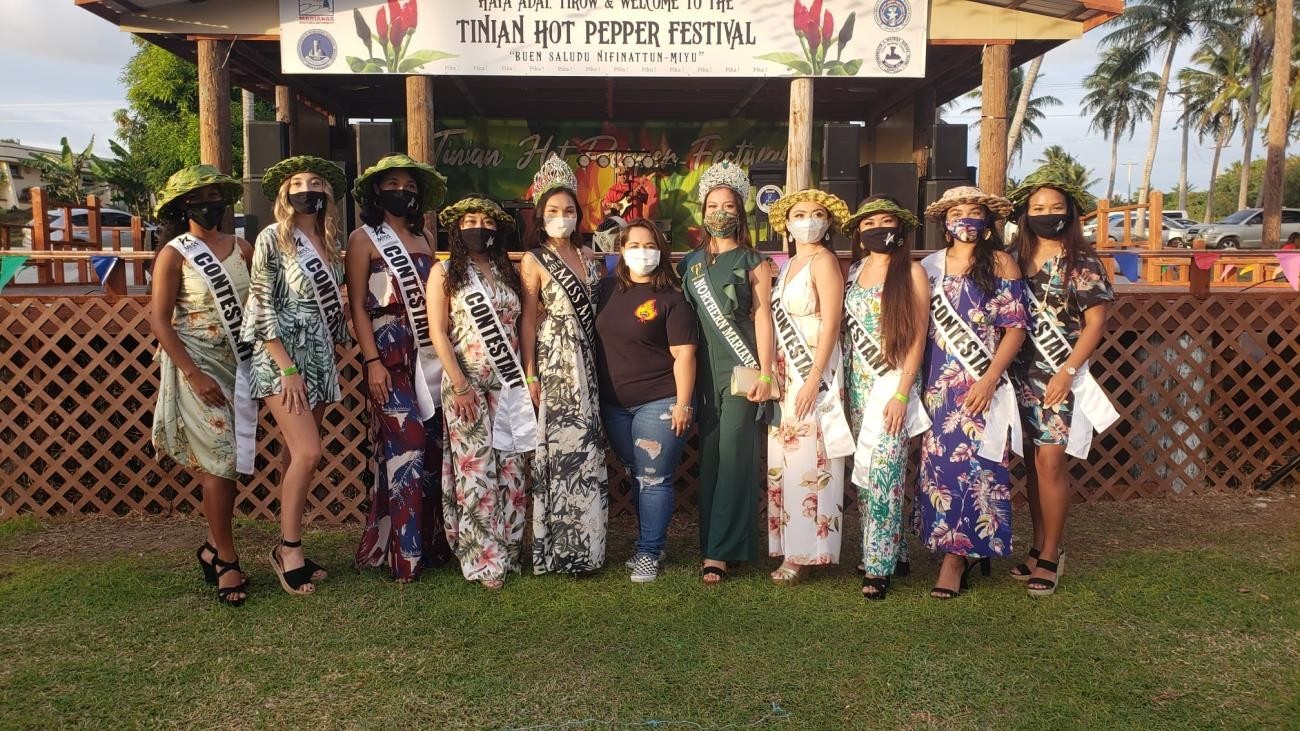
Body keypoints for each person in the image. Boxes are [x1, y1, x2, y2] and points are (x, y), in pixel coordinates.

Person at [241, 155, 350, 596]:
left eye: (317, 182)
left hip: (319, 359)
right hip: (282, 359)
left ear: (326, 193)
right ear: (285, 194)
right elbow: (261, 304)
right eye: (299, 183)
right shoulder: (272, 238)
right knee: (309, 453)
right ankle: (288, 550)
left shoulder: (329, 241)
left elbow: (333, 303)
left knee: (293, 458)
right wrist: (286, 368)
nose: (308, 189)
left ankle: (290, 542)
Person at [917, 186, 1029, 600]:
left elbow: (1015, 328)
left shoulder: (1001, 264)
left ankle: (959, 558)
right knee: (940, 468)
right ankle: (947, 544)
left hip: (983, 385)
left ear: (986, 222)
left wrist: (989, 379)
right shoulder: (930, 266)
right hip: (937, 386)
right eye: (957, 212)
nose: (965, 218)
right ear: (944, 222)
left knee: (980, 467)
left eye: (974, 212)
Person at [148, 165, 254, 606]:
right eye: (199, 199)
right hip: (198, 369)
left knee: (227, 463)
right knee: (220, 461)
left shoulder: (243, 248)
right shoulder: (175, 253)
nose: (210, 205)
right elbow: (159, 319)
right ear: (182, 207)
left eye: (216, 196)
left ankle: (212, 549)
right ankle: (227, 559)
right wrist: (193, 372)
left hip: (242, 369)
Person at [1008, 172, 1117, 597]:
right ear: (1024, 214)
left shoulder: (1082, 261)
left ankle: (1052, 554)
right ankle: (1037, 548)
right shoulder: (1011, 257)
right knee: (1033, 464)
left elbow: (1096, 323)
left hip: (1057, 376)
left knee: (1052, 463)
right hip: (1016, 375)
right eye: (1038, 209)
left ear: (1069, 212)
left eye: (1056, 208)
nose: (1047, 215)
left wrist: (1068, 370)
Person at [347, 153, 454, 583]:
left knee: (430, 450)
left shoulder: (425, 236)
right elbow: (356, 305)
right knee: (404, 446)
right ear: (377, 190)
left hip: (427, 353)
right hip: (388, 354)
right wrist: (371, 361)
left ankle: (428, 545)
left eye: (411, 187)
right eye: (394, 184)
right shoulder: (363, 238)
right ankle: (403, 559)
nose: (403, 192)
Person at [679, 160, 776, 584]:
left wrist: (767, 371)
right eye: (713, 205)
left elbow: (762, 318)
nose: (721, 212)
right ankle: (718, 542)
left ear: (740, 211)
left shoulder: (754, 260)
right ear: (703, 212)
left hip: (743, 367)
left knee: (737, 455)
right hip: (703, 371)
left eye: (729, 205)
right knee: (714, 455)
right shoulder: (691, 263)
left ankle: (719, 552)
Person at [428, 195, 533, 590]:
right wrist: (459, 382)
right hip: (466, 386)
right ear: (457, 228)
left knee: (510, 470)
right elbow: (438, 331)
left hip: (507, 386)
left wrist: (526, 376)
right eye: (471, 220)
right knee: (476, 472)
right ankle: (482, 557)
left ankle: (508, 550)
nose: (480, 227)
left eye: (487, 222)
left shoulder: (509, 271)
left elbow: (521, 325)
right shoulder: (444, 273)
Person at [520, 154, 609, 575]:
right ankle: (558, 548)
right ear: (541, 215)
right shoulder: (533, 260)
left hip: (588, 360)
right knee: (561, 454)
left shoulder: (590, 255)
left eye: (568, 210)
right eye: (553, 211)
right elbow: (528, 319)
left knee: (588, 451)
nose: (561, 217)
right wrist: (530, 372)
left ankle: (588, 545)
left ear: (578, 214)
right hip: (555, 362)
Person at [595, 219, 698, 583]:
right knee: (638, 475)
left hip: (660, 401)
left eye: (649, 245)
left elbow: (684, 356)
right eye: (634, 245)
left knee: (654, 478)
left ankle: (649, 553)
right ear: (621, 250)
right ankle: (649, 541)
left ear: (661, 250)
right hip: (614, 405)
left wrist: (683, 404)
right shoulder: (606, 290)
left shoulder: (672, 298)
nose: (642, 252)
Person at [840, 196, 931, 600]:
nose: (879, 227)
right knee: (867, 470)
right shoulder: (855, 270)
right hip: (858, 386)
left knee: (885, 472)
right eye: (870, 222)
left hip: (891, 384)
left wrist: (901, 392)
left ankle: (877, 567)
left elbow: (917, 336)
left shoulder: (910, 272)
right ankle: (894, 551)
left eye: (886, 221)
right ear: (859, 233)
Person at [762, 189, 855, 584]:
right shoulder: (788, 264)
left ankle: (808, 550)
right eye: (800, 214)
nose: (809, 220)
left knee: (812, 458)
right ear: (786, 223)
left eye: (818, 214)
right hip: (787, 369)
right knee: (786, 458)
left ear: (828, 223)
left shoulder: (824, 261)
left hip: (814, 368)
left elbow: (832, 323)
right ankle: (789, 543)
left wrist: (814, 377)